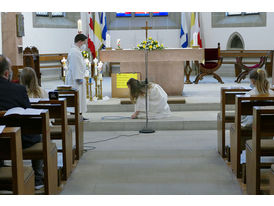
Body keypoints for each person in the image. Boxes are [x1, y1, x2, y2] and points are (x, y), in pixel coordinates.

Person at [0, 55, 44, 190]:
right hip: (20, 141)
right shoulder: (18, 90)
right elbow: (28, 114)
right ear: (7, 73)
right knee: (38, 135)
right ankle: (38, 178)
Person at [65, 33, 87, 117]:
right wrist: (79, 79)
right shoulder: (75, 52)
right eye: (84, 43)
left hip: (76, 78)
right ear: (80, 42)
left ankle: (79, 116)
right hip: (76, 80)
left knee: (79, 99)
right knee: (77, 99)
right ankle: (76, 116)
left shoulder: (76, 51)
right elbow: (76, 67)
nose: (84, 45)